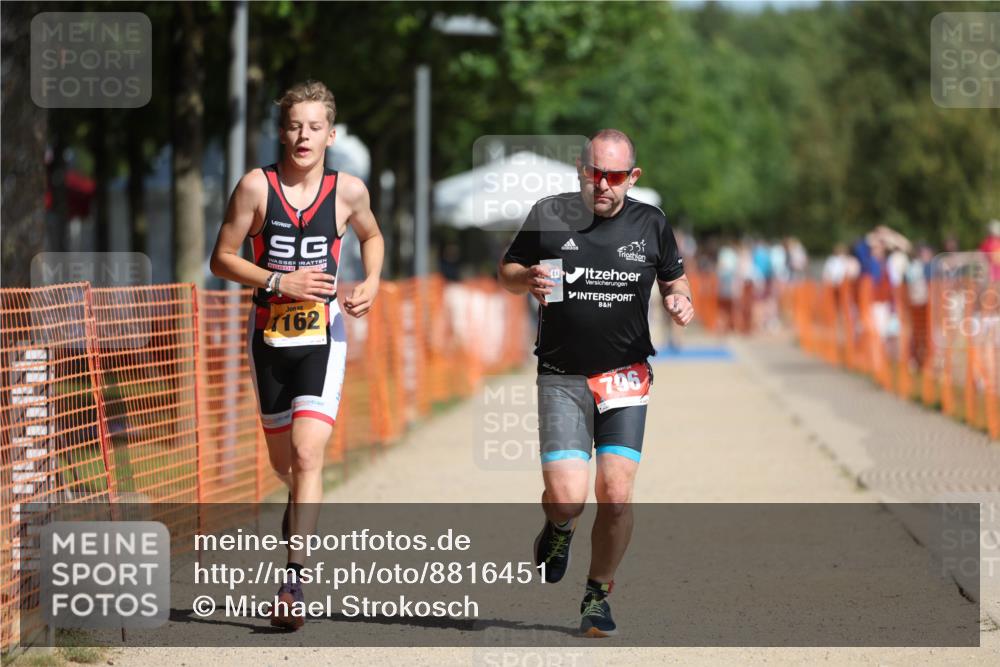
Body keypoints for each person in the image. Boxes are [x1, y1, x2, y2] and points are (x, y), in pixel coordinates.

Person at [497, 129, 693, 638]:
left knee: (616, 492)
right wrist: (527, 280)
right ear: (580, 170)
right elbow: (507, 268)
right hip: (562, 375)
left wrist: (679, 299)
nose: (602, 185)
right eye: (593, 173)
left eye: (613, 176)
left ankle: (597, 593)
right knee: (567, 498)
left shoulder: (651, 222)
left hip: (626, 374)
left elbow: (675, 277)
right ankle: (559, 528)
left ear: (633, 177)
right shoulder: (550, 213)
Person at [209, 80, 384, 630]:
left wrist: (372, 281)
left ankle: (293, 581)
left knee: (310, 455)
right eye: (293, 125)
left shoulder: (349, 190)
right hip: (268, 338)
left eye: (314, 127)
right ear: (280, 132)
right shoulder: (256, 188)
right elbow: (221, 259)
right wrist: (278, 280)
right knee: (284, 465)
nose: (303, 136)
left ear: (331, 134)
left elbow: (371, 236)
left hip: (322, 338)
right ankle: (297, 506)